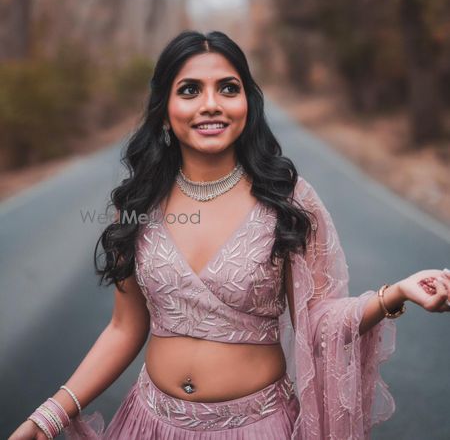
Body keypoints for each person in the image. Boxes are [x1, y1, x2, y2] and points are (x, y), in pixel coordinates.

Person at [9, 30, 450, 440]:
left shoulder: (288, 200)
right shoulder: (138, 203)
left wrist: (397, 295)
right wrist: (50, 416)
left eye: (228, 88)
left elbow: (319, 323)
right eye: (189, 90)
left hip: (257, 427)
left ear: (247, 104)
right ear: (164, 109)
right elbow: (124, 328)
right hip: (148, 423)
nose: (211, 104)